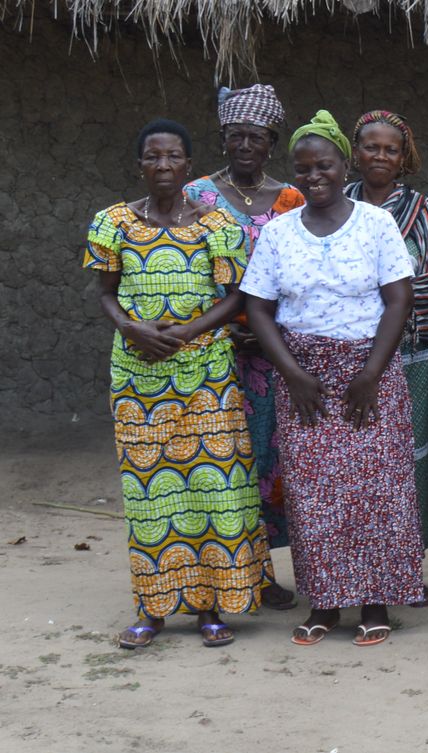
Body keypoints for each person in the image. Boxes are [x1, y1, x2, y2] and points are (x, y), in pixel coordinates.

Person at [242, 111, 424, 647]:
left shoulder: (376, 224)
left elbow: (399, 299)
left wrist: (371, 373)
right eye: (303, 169)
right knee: (312, 493)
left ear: (343, 164)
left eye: (324, 165)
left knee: (376, 490)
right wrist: (293, 374)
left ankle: (374, 603)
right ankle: (324, 603)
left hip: (370, 371)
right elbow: (257, 308)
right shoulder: (278, 233)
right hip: (305, 378)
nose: (314, 176)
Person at [94, 119, 271, 650]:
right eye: (154, 157)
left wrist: (191, 330)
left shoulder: (218, 225)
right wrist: (129, 327)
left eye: (174, 157)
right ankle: (153, 610)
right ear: (140, 165)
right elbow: (104, 290)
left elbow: (238, 296)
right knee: (149, 494)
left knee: (211, 486)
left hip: (207, 376)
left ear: (189, 167)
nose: (164, 166)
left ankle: (210, 609)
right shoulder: (113, 223)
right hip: (138, 379)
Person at [183, 84, 303, 612]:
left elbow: (302, 270)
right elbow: (183, 269)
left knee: (277, 461)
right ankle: (238, 573)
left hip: (277, 352)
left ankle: (272, 572)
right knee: (226, 460)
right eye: (236, 136)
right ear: (224, 138)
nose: (246, 146)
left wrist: (268, 325)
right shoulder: (196, 195)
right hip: (213, 349)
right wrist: (223, 325)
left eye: (256, 136)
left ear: (272, 141)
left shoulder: (291, 199)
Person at [343, 110, 428, 607]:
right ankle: (359, 568)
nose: (380, 156)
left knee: (413, 462)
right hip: (346, 360)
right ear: (355, 152)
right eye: (371, 146)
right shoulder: (334, 203)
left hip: (412, 356)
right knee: (358, 463)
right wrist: (384, 292)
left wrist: (370, 294)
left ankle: (408, 567)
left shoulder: (424, 212)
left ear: (404, 156)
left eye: (391, 149)